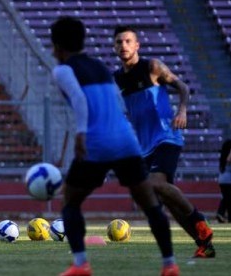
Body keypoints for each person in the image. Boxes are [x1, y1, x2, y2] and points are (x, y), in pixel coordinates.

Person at [50, 17, 179, 276]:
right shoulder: (100, 66)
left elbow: (79, 101)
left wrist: (81, 133)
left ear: (58, 45)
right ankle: (169, 264)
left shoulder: (63, 70)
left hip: (96, 142)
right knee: (150, 204)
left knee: (71, 203)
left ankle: (81, 264)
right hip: (125, 141)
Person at [113, 25, 215, 258]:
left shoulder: (152, 67)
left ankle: (200, 221)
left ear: (137, 45)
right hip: (144, 146)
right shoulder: (117, 78)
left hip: (166, 136)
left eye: (128, 41)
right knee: (166, 197)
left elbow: (183, 86)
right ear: (114, 47)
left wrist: (182, 110)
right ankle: (204, 245)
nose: (123, 46)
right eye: (119, 42)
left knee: (156, 185)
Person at [217, 139, 231, 222]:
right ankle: (221, 214)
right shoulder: (228, 157)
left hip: (222, 180)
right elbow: (229, 159)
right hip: (228, 180)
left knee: (226, 198)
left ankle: (220, 214)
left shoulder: (223, 155)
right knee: (228, 199)